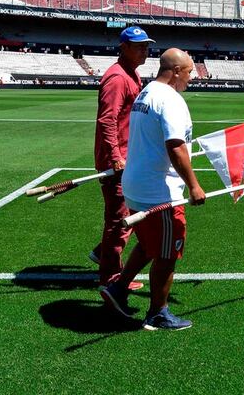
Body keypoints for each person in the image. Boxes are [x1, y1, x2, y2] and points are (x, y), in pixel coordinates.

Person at [101, 48, 205, 331]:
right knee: (168, 251)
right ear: (174, 72)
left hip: (137, 184)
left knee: (149, 243)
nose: (191, 78)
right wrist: (194, 186)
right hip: (159, 190)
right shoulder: (170, 99)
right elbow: (175, 146)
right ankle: (158, 313)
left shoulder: (147, 93)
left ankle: (118, 288)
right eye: (188, 73)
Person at [90, 26, 153, 290]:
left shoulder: (132, 74)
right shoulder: (117, 78)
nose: (145, 51)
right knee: (119, 219)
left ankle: (102, 252)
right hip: (117, 160)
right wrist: (116, 157)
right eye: (139, 46)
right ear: (123, 47)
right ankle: (111, 277)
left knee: (128, 214)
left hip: (129, 155)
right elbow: (107, 120)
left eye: (146, 46)